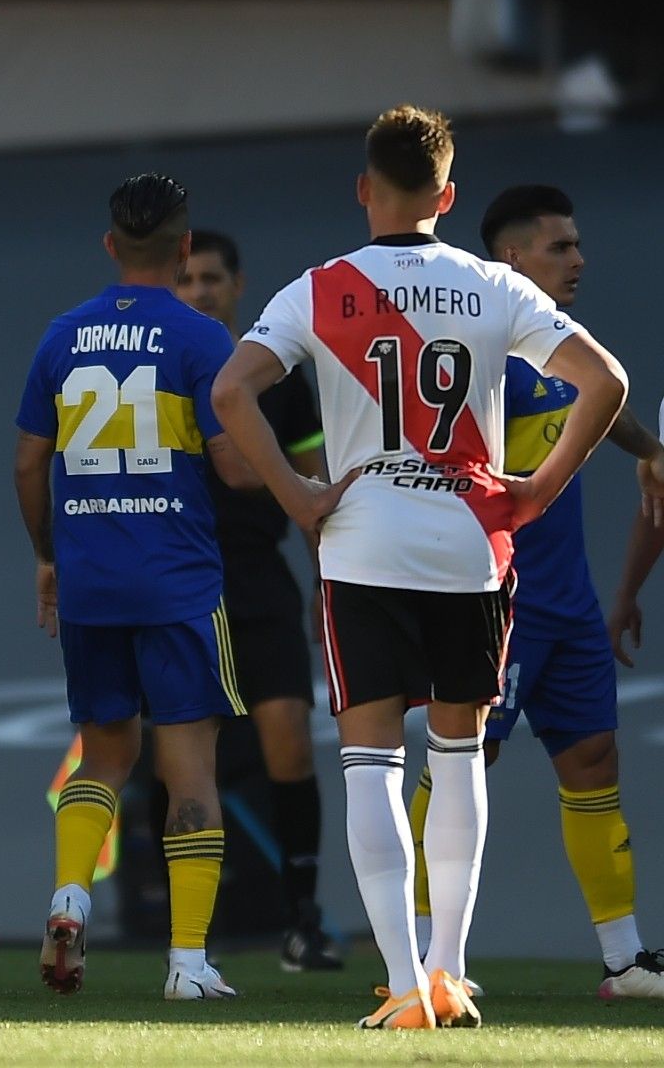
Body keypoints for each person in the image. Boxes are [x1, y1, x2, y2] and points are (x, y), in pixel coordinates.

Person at [212, 105, 635, 1029]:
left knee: (371, 762)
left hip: (362, 541)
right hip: (468, 546)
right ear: (448, 195)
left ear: (365, 189)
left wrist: (298, 495)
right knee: (459, 755)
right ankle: (450, 970)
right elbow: (607, 381)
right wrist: (537, 489)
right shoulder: (494, 286)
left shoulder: (319, 289)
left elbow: (230, 390)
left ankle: (404, 984)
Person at [408, 185, 664, 1000]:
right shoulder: (478, 348)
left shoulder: (559, 346)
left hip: (571, 606)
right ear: (511, 257)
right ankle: (417, 955)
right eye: (561, 247)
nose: (579, 259)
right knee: (460, 762)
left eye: (578, 244)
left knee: (593, 758)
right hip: (500, 600)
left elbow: (602, 400)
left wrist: (651, 450)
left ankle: (624, 960)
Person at [18, 173, 255, 1002]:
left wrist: (49, 553)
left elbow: (26, 462)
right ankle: (188, 965)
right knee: (189, 770)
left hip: (91, 581)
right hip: (179, 583)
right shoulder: (202, 340)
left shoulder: (62, 337)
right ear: (185, 247)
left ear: (110, 246)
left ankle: (70, 894)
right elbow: (231, 464)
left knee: (103, 751)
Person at [176, 229, 340, 970]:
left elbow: (315, 484)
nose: (200, 291)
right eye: (186, 280)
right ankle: (188, 935)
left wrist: (324, 582)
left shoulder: (281, 379)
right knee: (179, 760)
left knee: (289, 743)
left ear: (239, 287)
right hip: (180, 579)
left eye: (212, 278)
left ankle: (301, 920)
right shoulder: (163, 373)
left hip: (261, 580)